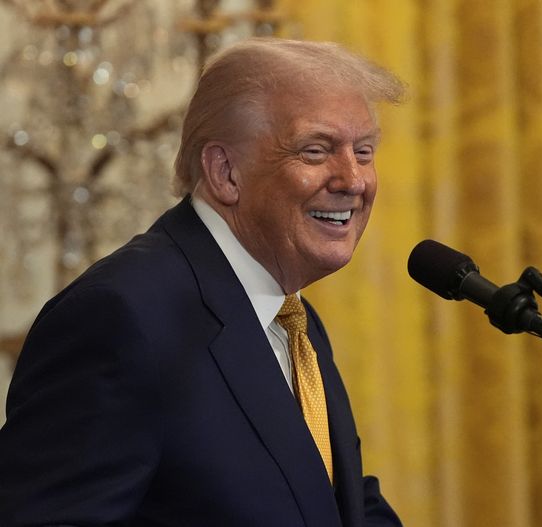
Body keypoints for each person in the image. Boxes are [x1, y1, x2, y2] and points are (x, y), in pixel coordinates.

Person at [0, 37, 405, 526]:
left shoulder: (290, 315)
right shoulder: (121, 317)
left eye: (364, 151)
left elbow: (336, 504)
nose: (354, 179)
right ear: (225, 172)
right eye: (316, 151)